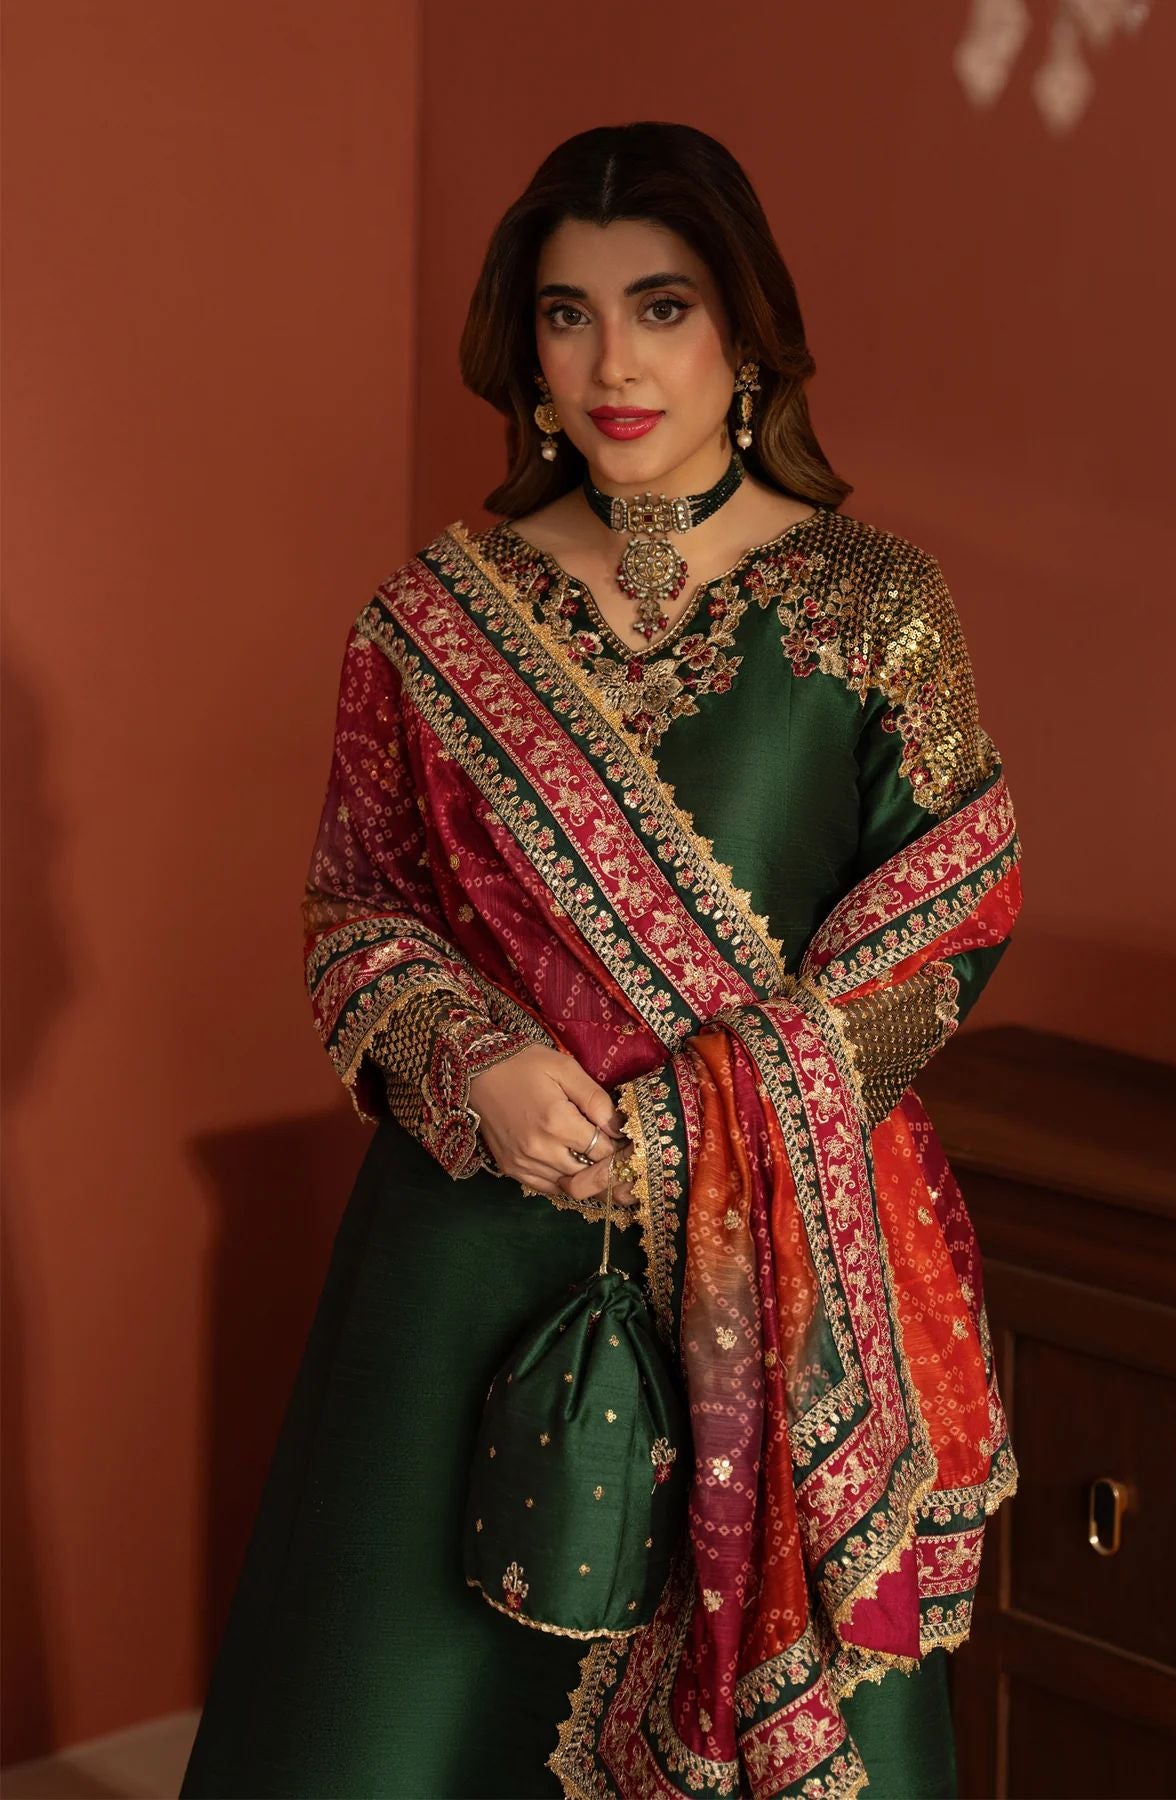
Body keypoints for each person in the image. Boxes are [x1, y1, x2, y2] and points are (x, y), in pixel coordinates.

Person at [179, 120, 1023, 1800]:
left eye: (661, 307)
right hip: (475, 1237)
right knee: (408, 1705)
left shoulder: (873, 604)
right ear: (527, 346)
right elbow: (358, 905)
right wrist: (469, 1060)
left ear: (745, 333)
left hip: (777, 1266)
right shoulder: (430, 619)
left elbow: (944, 920)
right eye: (569, 315)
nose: (614, 365)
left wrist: (693, 1126)